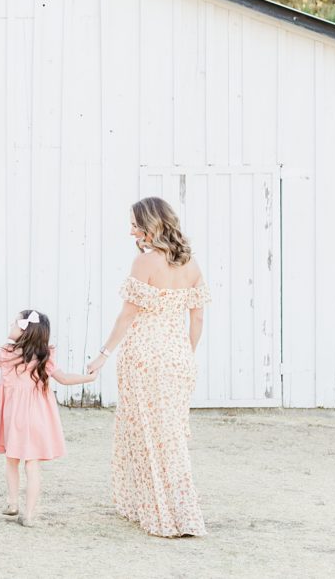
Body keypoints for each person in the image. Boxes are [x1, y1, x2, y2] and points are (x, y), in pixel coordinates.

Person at [86, 197, 211, 537]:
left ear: (150, 225)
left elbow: (127, 315)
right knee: (170, 435)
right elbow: (197, 316)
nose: (130, 231)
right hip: (177, 356)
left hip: (144, 356)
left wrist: (102, 354)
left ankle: (159, 511)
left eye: (134, 225)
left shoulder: (145, 262)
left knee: (145, 433)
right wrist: (186, 353)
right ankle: (176, 510)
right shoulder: (192, 265)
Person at [0, 309, 97, 526]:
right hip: (37, 418)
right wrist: (88, 379)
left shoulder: (7, 354)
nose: (11, 325)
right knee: (32, 465)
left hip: (14, 416)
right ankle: (30, 514)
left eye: (14, 323)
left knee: (12, 460)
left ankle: (13, 502)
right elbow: (64, 378)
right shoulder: (45, 356)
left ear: (24, 330)